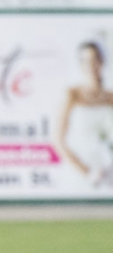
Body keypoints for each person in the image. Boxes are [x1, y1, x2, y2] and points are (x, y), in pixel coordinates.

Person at [56, 41, 113, 187]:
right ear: (80, 64)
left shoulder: (110, 97)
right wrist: (87, 172)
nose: (91, 66)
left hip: (108, 172)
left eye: (95, 60)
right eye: (86, 61)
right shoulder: (72, 95)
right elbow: (59, 141)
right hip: (80, 173)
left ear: (102, 62)